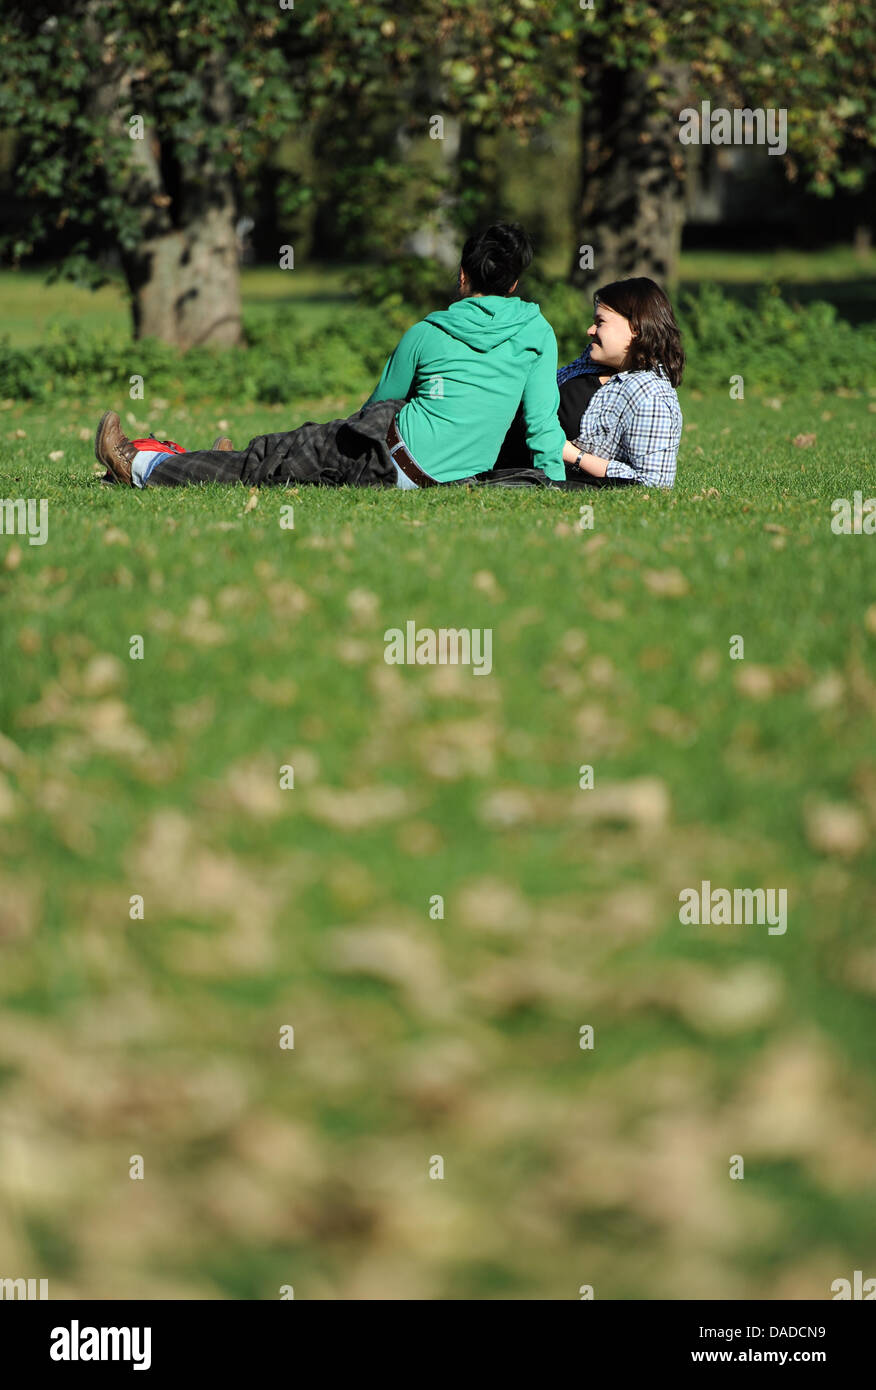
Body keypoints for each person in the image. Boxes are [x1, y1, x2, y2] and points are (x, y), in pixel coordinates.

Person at [94, 223, 567, 491]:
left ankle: (138, 465)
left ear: (462, 277)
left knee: (280, 453)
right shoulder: (538, 334)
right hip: (448, 480)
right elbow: (543, 425)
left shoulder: (430, 331)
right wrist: (551, 485)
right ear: (514, 284)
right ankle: (238, 462)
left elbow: (377, 406)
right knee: (286, 458)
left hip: (393, 459)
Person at [493, 277, 684, 489]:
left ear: (636, 327)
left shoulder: (651, 396)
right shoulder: (593, 361)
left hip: (516, 473)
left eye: (600, 322)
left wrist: (570, 453)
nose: (590, 330)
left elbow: (654, 482)